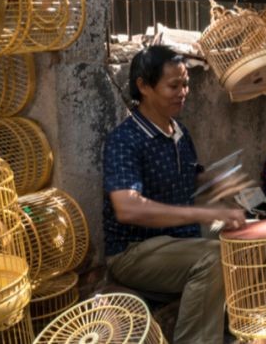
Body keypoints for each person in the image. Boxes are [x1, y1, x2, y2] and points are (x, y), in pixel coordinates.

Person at [103, 45, 246, 344]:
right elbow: (128, 208)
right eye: (173, 85)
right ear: (143, 86)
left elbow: (190, 176)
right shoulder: (125, 140)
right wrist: (206, 213)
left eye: (186, 84)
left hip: (179, 239)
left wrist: (219, 184)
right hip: (134, 251)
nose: (183, 92)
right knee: (214, 257)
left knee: (246, 239)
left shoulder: (179, 132)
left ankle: (238, 328)